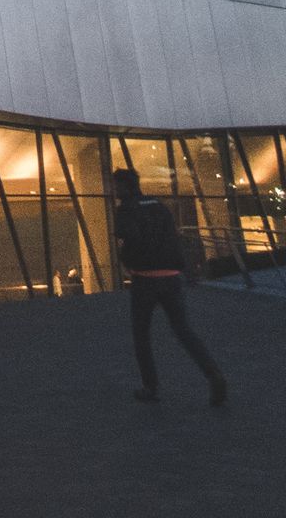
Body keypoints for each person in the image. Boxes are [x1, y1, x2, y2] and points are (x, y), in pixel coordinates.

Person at [111, 169, 227, 406]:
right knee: (183, 329)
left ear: (124, 186)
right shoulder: (159, 206)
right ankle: (213, 374)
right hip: (172, 276)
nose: (113, 190)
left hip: (145, 278)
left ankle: (150, 386)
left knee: (141, 334)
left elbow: (128, 237)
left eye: (116, 186)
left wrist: (127, 260)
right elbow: (174, 238)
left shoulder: (126, 209)